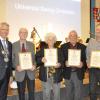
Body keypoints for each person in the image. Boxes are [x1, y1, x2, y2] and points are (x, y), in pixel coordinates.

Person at [35, 32, 63, 100]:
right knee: (46, 94)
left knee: (56, 95)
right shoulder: (42, 49)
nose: (51, 41)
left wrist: (59, 64)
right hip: (45, 76)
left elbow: (62, 61)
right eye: (49, 39)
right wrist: (41, 59)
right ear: (46, 41)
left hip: (56, 76)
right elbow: (36, 58)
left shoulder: (59, 50)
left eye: (52, 39)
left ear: (55, 40)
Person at [61, 30, 87, 100]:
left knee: (78, 93)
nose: (73, 37)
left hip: (78, 73)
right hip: (67, 73)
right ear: (69, 37)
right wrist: (65, 63)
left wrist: (83, 64)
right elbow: (61, 59)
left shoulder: (83, 47)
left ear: (77, 37)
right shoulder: (63, 47)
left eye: (74, 36)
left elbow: (86, 60)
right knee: (68, 93)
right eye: (71, 36)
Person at [12, 28, 36, 100]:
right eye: (22, 32)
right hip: (20, 73)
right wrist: (16, 67)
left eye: (25, 33)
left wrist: (34, 65)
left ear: (27, 34)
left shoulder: (32, 45)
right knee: (21, 95)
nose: (24, 34)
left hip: (30, 73)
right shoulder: (13, 45)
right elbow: (12, 60)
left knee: (32, 94)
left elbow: (34, 59)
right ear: (19, 34)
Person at [86, 24, 100, 100]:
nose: (99, 31)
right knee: (92, 89)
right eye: (97, 30)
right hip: (93, 69)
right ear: (95, 31)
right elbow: (87, 53)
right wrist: (88, 62)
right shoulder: (91, 41)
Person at [0, 22, 12, 100]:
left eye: (7, 30)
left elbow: (10, 61)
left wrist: (11, 75)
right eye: (3, 29)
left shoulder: (10, 44)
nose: (5, 31)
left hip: (6, 75)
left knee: (3, 96)